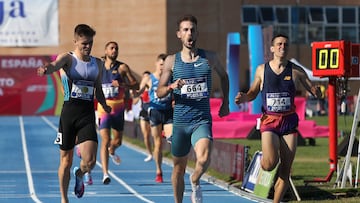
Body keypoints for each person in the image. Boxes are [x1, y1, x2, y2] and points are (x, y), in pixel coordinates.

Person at [235, 34, 321, 203]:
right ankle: (260, 164)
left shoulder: (296, 71)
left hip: (288, 121)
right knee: (270, 164)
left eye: (286, 44)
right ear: (272, 48)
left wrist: (317, 91)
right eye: (279, 44)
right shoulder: (262, 69)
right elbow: (253, 91)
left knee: (286, 170)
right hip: (270, 121)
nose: (283, 46)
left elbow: (312, 89)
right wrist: (245, 97)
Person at [156, 15, 230, 203]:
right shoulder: (172, 61)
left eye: (192, 30)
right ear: (179, 34)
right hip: (180, 122)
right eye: (186, 30)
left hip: (201, 120)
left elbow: (224, 76)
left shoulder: (210, 57)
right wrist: (172, 87)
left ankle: (195, 179)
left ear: (197, 33)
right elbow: (159, 92)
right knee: (178, 168)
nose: (190, 33)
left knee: (203, 159)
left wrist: (226, 102)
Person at [36, 24, 111, 203]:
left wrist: (104, 104)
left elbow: (98, 88)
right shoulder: (68, 59)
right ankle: (64, 199)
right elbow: (54, 65)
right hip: (69, 114)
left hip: (86, 115)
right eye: (84, 43)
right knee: (65, 161)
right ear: (75, 41)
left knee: (90, 161)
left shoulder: (97, 63)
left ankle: (80, 173)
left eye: (90, 43)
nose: (88, 47)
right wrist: (45, 69)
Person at [98, 41, 137, 185]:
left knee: (118, 141)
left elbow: (136, 84)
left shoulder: (122, 67)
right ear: (106, 50)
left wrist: (122, 85)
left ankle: (112, 150)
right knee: (105, 139)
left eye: (116, 48)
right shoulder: (98, 67)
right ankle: (105, 174)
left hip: (118, 108)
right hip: (104, 109)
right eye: (111, 48)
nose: (114, 50)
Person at [134, 54, 173, 183]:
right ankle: (158, 170)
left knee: (172, 138)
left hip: (167, 111)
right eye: (161, 64)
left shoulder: (171, 77)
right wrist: (134, 92)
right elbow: (139, 92)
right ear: (156, 64)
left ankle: (177, 166)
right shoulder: (149, 78)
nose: (163, 67)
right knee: (158, 144)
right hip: (155, 111)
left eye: (165, 65)